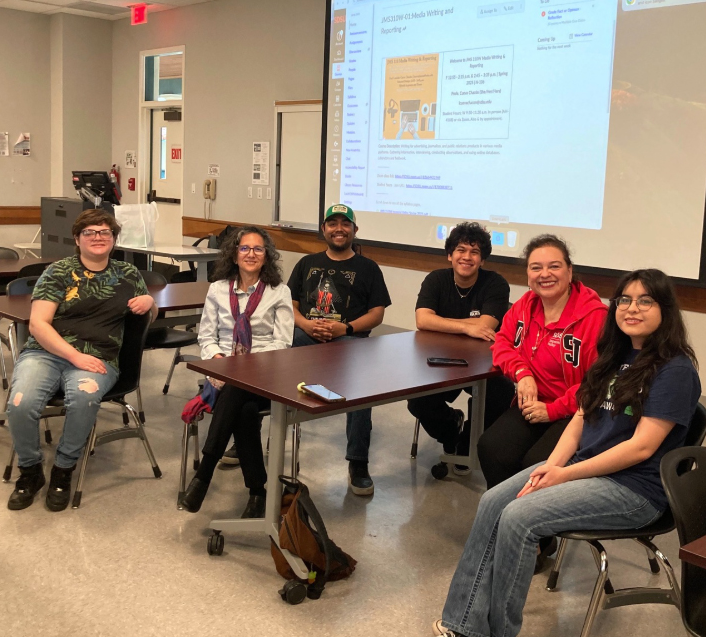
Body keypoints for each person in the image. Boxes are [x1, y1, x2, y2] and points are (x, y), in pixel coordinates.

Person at [409, 268, 701, 637]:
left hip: (633, 489)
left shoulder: (675, 369)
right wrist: (553, 465)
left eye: (645, 301)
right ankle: (467, 621)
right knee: (494, 500)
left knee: (519, 517)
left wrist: (564, 475)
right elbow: (580, 420)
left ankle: (492, 633)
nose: (632, 308)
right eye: (625, 300)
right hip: (588, 469)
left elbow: (640, 449)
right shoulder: (615, 356)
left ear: (666, 310)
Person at [7, 209, 157, 512]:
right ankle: (31, 470)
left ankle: (63, 470)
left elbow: (145, 319)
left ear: (114, 239)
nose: (98, 237)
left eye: (105, 232)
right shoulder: (59, 271)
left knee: (84, 399)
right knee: (20, 404)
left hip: (101, 356)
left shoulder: (128, 275)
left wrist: (150, 302)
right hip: (46, 353)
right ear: (78, 239)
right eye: (90, 232)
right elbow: (38, 324)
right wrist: (75, 356)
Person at [179, 226, 293, 519]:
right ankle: (258, 492)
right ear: (234, 254)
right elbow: (206, 337)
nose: (251, 254)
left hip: (267, 375)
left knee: (237, 383)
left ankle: (204, 473)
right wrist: (219, 360)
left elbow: (282, 344)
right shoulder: (217, 289)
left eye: (258, 249)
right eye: (245, 248)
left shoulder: (279, 292)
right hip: (223, 372)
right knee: (243, 412)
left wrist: (243, 367)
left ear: (266, 256)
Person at [478, 235, 607, 490]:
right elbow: (502, 343)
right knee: (492, 448)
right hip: (532, 405)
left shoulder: (596, 318)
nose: (544, 274)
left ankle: (533, 526)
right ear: (528, 274)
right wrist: (522, 373)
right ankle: (505, 515)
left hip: (575, 413)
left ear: (570, 272)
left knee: (536, 464)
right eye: (536, 267)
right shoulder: (526, 304)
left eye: (554, 266)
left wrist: (553, 410)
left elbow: (598, 382)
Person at [288, 204, 391, 496]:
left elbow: (377, 313)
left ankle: (358, 462)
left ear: (354, 231)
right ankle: (251, 433)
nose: (338, 229)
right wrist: (307, 325)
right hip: (306, 338)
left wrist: (344, 328)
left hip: (349, 341)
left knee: (361, 382)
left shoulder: (368, 268)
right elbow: (290, 306)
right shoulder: (306, 263)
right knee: (267, 359)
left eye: (345, 224)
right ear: (323, 230)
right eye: (332, 223)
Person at [406, 222, 515, 474]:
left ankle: (467, 442)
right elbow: (422, 320)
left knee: (501, 393)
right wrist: (467, 327)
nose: (467, 257)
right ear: (450, 255)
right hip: (438, 360)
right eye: (461, 250)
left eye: (474, 252)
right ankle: (451, 429)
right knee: (417, 402)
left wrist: (441, 322)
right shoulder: (436, 279)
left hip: (480, 361)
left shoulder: (496, 283)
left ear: (483, 259)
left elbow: (487, 324)